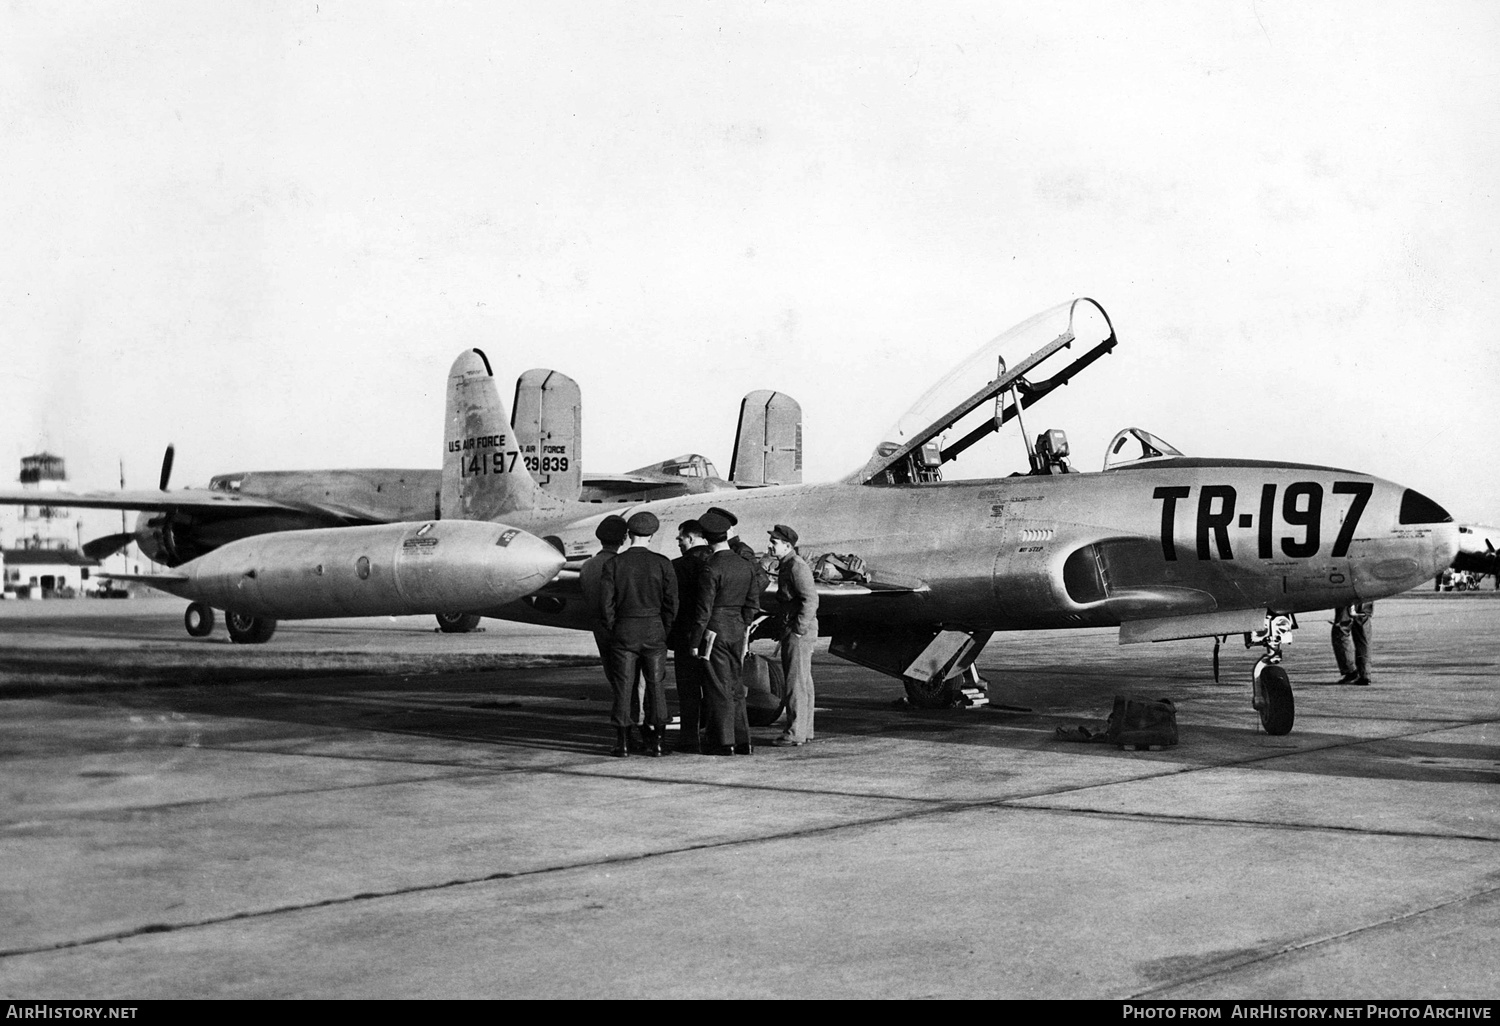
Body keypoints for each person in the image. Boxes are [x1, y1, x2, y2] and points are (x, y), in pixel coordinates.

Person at [599, 511, 678, 756]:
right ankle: (657, 743)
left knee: (624, 686)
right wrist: (663, 628)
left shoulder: (613, 564)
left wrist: (615, 627)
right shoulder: (663, 563)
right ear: (652, 535)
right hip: (654, 630)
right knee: (656, 685)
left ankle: (622, 743)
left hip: (624, 631)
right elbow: (672, 603)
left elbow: (606, 604)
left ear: (628, 535)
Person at [692, 509, 760, 755]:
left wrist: (695, 639)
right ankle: (743, 741)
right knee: (735, 685)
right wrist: (743, 624)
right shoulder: (746, 565)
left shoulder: (710, 567)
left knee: (717, 686)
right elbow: (752, 603)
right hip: (738, 630)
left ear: (707, 539)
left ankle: (722, 742)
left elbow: (703, 610)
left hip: (714, 631)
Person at [579, 515, 630, 745]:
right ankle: (630, 730)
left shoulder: (587, 567)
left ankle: (623, 733)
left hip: (599, 628)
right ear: (624, 538)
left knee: (614, 678)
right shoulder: (622, 565)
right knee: (631, 681)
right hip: (623, 628)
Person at [767, 524, 818, 747]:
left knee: (794, 682)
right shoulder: (788, 564)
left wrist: (798, 629)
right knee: (802, 681)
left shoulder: (796, 567)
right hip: (797, 628)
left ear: (787, 545)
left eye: (774, 542)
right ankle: (805, 731)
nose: (770, 546)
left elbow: (811, 600)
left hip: (798, 631)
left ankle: (795, 732)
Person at [669, 519, 713, 754]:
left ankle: (689, 738)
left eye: (681, 538)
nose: (679, 542)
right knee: (717, 687)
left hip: (686, 637)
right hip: (717, 636)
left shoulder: (677, 567)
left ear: (692, 539)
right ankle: (718, 735)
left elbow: (671, 605)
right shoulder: (719, 561)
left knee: (688, 691)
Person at [1331, 601, 1374, 686]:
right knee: (1363, 632)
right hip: (1366, 596)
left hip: (1348, 597)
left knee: (1341, 630)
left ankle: (1350, 670)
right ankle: (1365, 674)